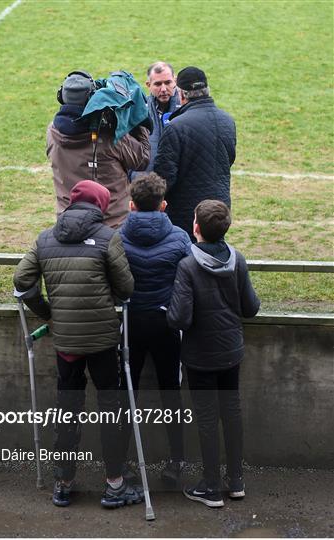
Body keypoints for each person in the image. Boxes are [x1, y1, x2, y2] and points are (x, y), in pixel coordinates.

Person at [13, 180, 143, 509]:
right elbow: (126, 287)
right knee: (110, 410)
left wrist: (48, 312)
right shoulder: (107, 238)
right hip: (101, 340)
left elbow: (22, 281)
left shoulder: (45, 239)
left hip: (67, 342)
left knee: (67, 411)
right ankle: (114, 482)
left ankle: (63, 483)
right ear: (99, 207)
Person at [167, 200, 260, 507]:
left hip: (200, 357)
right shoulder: (238, 259)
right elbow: (251, 307)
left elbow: (180, 318)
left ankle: (210, 486)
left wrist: (169, 312)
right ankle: (236, 481)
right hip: (231, 352)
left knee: (207, 419)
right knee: (231, 414)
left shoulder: (187, 266)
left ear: (195, 228)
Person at [119, 172, 191, 484]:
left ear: (131, 205)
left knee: (125, 394)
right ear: (163, 204)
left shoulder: (117, 236)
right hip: (166, 324)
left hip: (130, 323)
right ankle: (176, 460)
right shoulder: (179, 237)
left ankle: (119, 463)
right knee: (171, 393)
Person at [47, 70, 150, 228]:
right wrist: (135, 120)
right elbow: (142, 159)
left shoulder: (52, 132)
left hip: (68, 223)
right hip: (111, 225)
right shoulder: (110, 137)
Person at [154, 66, 236, 239]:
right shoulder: (227, 121)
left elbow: (164, 177)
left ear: (181, 94)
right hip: (219, 209)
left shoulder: (176, 127)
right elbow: (229, 158)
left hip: (185, 214)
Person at [130, 61, 180, 180]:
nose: (163, 89)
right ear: (148, 85)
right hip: (147, 187)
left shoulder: (185, 111)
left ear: (175, 81)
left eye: (168, 82)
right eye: (158, 84)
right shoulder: (138, 112)